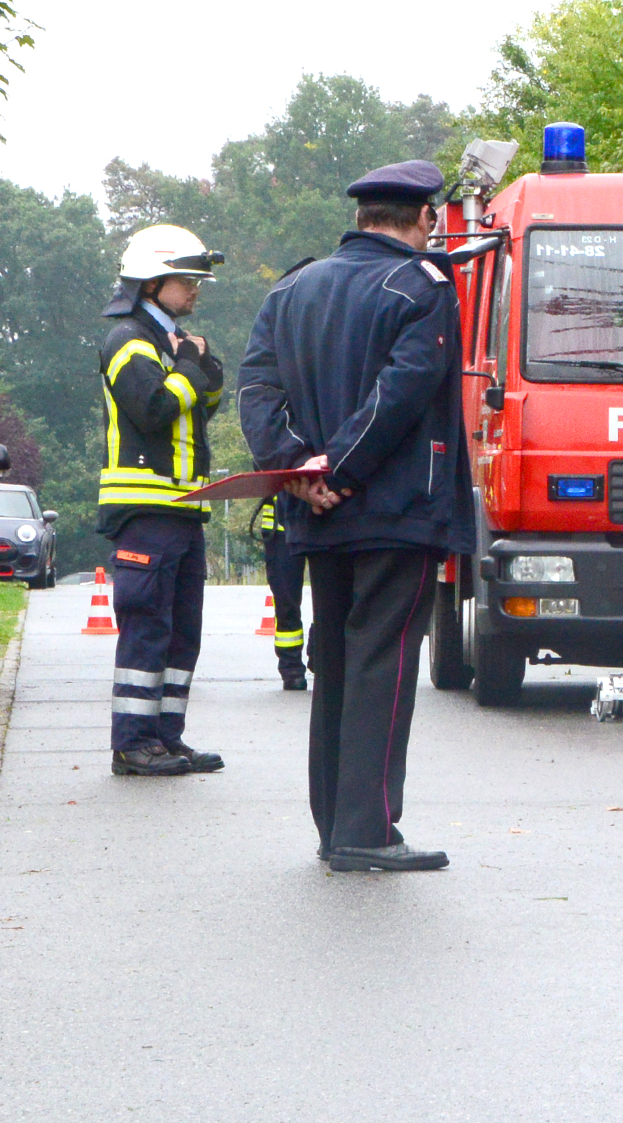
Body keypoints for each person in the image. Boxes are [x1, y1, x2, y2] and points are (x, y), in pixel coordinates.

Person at [239, 159, 474, 873]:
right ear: (424, 217)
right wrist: (339, 469)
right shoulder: (423, 285)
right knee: (384, 663)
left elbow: (257, 389)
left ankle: (335, 825)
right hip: (395, 506)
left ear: (361, 216)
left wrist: (298, 469)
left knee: (337, 661)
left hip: (316, 510)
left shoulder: (293, 288)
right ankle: (367, 829)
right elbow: (403, 390)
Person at [98, 225, 227, 777]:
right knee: (147, 628)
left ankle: (166, 737)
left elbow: (203, 404)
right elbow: (152, 409)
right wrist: (190, 368)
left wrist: (202, 367)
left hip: (182, 509)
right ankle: (133, 744)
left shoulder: (170, 341)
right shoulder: (129, 340)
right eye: (186, 279)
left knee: (181, 633)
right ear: (151, 283)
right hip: (146, 512)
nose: (195, 288)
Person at [254, 495, 308, 690]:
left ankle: (323, 658)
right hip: (280, 527)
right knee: (286, 602)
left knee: (329, 600)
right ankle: (291, 669)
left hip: (324, 523)